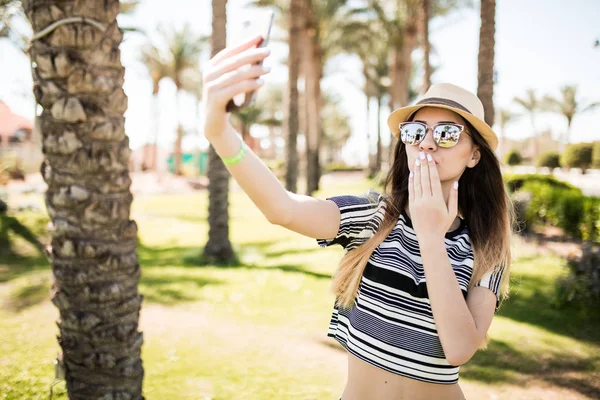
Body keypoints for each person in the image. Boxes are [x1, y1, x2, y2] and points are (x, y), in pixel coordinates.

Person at [202, 35, 513, 400]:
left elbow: (460, 348)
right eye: (416, 132)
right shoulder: (373, 217)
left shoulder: (485, 248)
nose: (427, 143)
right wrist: (219, 133)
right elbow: (282, 209)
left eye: (447, 133)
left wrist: (431, 238)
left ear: (473, 155)